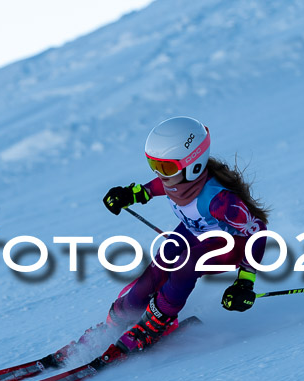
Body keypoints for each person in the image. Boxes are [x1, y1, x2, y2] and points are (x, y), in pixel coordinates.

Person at [98, 116, 270, 357]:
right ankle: (124, 312)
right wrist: (130, 195)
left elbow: (257, 230)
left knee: (185, 264)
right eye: (153, 164)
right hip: (195, 229)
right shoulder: (174, 181)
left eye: (166, 167)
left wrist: (245, 281)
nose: (160, 173)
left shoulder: (220, 202)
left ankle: (158, 321)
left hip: (228, 244)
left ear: (194, 165)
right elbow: (154, 188)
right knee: (162, 260)